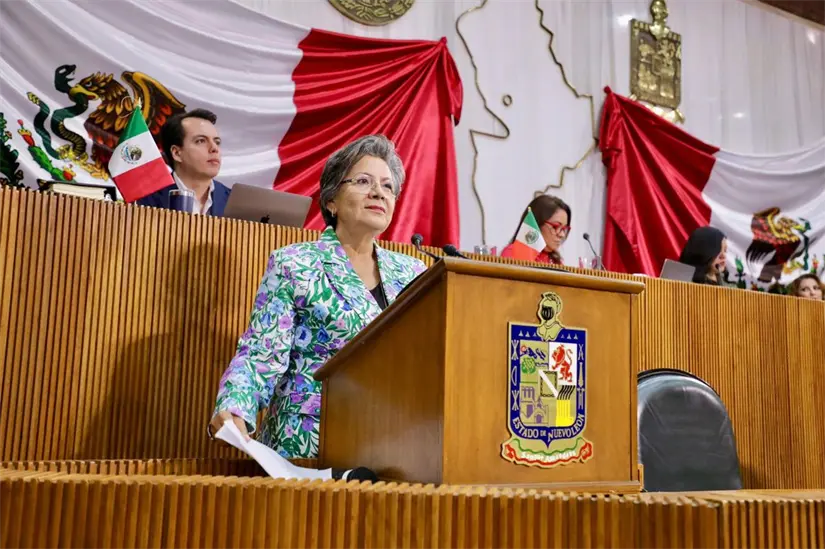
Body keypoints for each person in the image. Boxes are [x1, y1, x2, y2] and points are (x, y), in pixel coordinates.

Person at [208, 134, 426, 459]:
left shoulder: (413, 272)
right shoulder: (294, 264)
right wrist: (235, 406)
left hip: (392, 446)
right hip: (307, 444)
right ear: (331, 200)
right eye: (364, 181)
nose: (378, 192)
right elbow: (262, 353)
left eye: (387, 186)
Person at [137, 108, 231, 215]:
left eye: (217, 142)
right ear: (176, 153)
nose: (214, 148)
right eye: (201, 141)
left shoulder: (234, 202)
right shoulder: (145, 201)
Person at [500, 195, 571, 265]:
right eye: (555, 227)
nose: (562, 235)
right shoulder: (513, 253)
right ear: (537, 223)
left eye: (564, 229)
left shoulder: (555, 261)